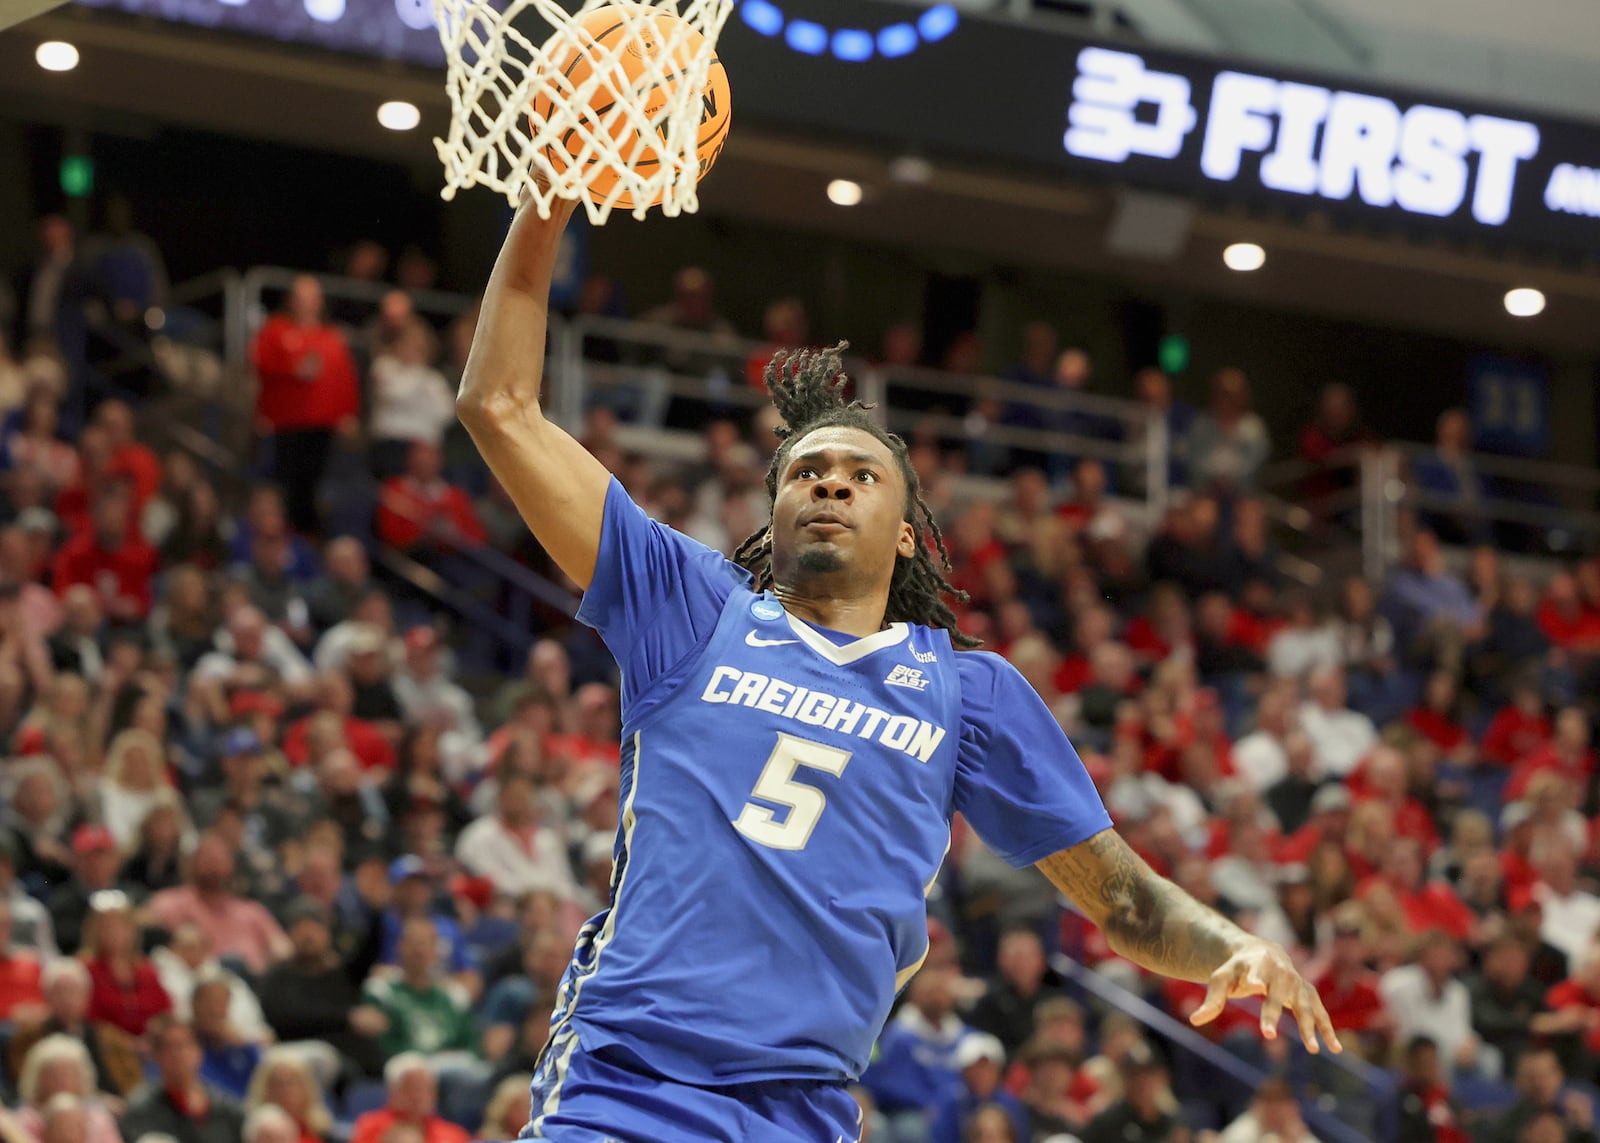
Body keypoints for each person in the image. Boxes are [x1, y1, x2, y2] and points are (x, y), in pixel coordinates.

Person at [453, 198, 1338, 1140]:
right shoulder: (691, 606)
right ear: (774, 516)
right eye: (805, 471)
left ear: (908, 535)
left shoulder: (972, 692)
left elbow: (1120, 896)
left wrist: (1229, 947)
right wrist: (546, 204)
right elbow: (498, 406)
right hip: (629, 1081)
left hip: (803, 1109)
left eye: (860, 473)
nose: (829, 480)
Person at [250, 275, 360, 534]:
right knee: (284, 487)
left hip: (323, 427)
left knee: (317, 488)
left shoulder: (332, 337)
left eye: (313, 298)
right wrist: (293, 368)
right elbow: (260, 363)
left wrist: (348, 413)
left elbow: (345, 378)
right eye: (302, 298)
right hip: (284, 425)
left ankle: (312, 539)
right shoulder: (275, 330)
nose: (308, 304)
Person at [120, 1016, 246, 1143]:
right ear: (156, 1055)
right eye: (168, 1047)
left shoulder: (224, 1104)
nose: (177, 1054)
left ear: (199, 1052)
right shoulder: (142, 1106)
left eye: (183, 1045)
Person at [347, 1054, 470, 1143]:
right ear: (393, 1091)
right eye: (412, 1088)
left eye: (427, 1089)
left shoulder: (454, 1134)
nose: (420, 1096)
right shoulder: (370, 1127)